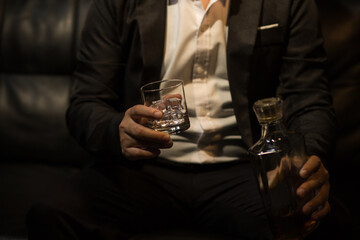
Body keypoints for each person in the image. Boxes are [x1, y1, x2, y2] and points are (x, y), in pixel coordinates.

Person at [26, 0, 335, 239]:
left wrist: (304, 164)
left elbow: (309, 99)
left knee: (320, 222)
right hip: (144, 169)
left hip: (244, 171)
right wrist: (118, 130)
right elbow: (85, 103)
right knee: (51, 212)